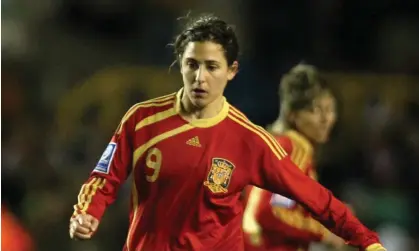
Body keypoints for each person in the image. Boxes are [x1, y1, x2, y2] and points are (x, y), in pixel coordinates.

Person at [69, 14, 386, 251]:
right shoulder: (142, 119)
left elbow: (315, 198)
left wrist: (367, 240)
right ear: (180, 63)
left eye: (212, 66)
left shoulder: (249, 140)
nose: (200, 77)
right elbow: (105, 177)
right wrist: (87, 213)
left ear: (232, 70)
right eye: (192, 64)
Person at [242, 63, 348, 251]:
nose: (326, 119)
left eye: (330, 109)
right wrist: (324, 231)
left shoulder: (275, 145)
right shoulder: (294, 148)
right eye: (315, 111)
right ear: (293, 115)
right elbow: (272, 210)